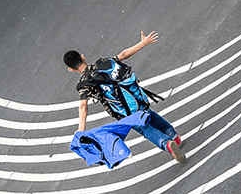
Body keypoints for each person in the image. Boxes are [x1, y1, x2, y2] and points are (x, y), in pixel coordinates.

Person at [63, 31, 186, 164]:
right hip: (136, 99)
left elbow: (83, 106)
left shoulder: (84, 84)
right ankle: (174, 137)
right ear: (82, 57)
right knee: (150, 115)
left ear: (71, 69)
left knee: (144, 128)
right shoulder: (102, 63)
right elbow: (123, 55)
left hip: (123, 112)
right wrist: (143, 43)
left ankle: (166, 144)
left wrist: (81, 129)